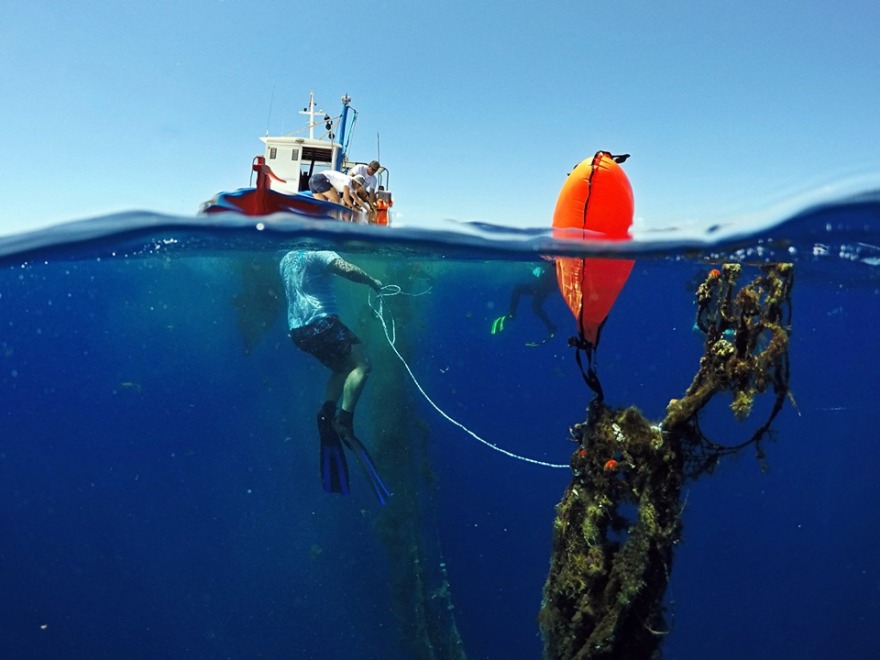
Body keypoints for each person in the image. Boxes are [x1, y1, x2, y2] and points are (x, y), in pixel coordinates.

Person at [280, 249, 391, 504]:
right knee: (362, 364)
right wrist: (374, 282)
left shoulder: (286, 257)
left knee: (343, 369)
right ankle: (344, 422)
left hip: (299, 333)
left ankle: (326, 414)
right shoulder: (319, 253)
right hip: (323, 325)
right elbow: (347, 269)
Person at [491, 261, 558, 346]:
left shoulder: (549, 266)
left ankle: (512, 313)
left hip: (542, 286)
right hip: (542, 287)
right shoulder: (544, 267)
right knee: (535, 306)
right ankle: (551, 328)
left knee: (521, 291)